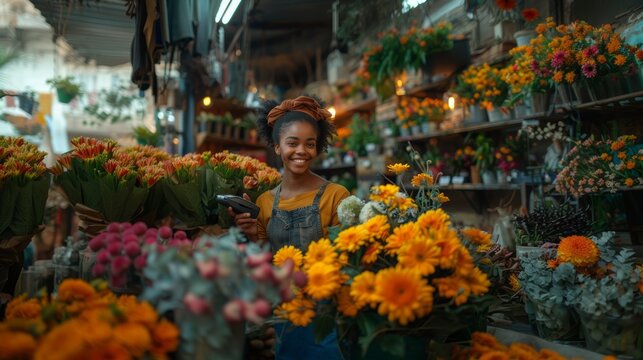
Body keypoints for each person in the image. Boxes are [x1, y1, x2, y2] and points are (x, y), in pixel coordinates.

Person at [230, 95, 350, 360]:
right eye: (292, 143)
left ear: (318, 147)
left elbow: (347, 260)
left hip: (325, 313)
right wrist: (251, 233)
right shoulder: (265, 201)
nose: (301, 151)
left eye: (310, 144)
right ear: (276, 147)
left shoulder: (336, 196)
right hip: (282, 312)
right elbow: (265, 258)